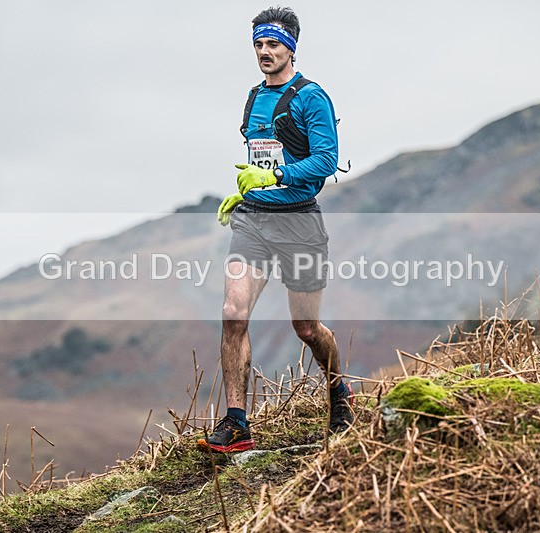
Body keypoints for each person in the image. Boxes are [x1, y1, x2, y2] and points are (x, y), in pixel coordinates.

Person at [197, 6, 353, 454]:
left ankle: (339, 393)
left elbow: (324, 162)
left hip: (299, 223)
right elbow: (259, 157)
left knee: (306, 327)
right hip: (254, 221)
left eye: (273, 44)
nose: (264, 52)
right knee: (233, 313)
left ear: (291, 48)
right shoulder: (253, 97)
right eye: (258, 45)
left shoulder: (312, 98)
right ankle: (236, 422)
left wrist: (275, 178)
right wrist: (246, 189)